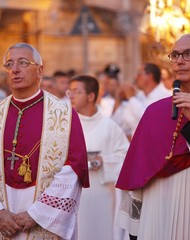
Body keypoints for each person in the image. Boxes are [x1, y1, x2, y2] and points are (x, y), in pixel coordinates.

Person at [0, 43, 89, 240]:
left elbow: (73, 168)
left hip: (44, 219)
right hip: (0, 215)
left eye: (23, 63)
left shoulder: (65, 115)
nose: (14, 69)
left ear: (40, 70)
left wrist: (36, 214)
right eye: (9, 64)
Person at [116, 33, 190, 240]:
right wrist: (135, 228)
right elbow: (137, 170)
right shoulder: (154, 111)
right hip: (156, 211)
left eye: (188, 54)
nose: (180, 61)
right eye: (175, 55)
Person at [67, 75, 129, 240]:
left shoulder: (110, 127)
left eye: (76, 91)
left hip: (102, 196)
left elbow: (127, 158)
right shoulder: (66, 126)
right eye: (70, 92)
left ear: (91, 96)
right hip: (73, 196)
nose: (71, 96)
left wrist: (104, 161)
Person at [122, 63, 171, 138]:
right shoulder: (139, 96)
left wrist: (131, 98)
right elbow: (126, 124)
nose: (136, 77)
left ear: (149, 76)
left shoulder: (166, 97)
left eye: (139, 74)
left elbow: (147, 118)